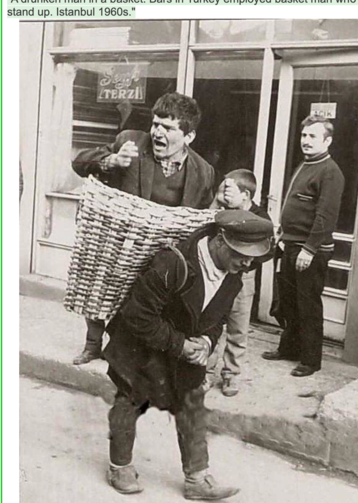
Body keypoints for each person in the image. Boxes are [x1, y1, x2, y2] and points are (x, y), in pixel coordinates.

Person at [103, 209, 274, 499]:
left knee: (192, 405)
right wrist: (180, 345)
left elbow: (218, 319)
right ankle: (120, 466)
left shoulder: (234, 275)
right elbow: (138, 315)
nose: (247, 263)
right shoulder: (174, 262)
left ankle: (197, 479)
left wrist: (206, 342)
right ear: (220, 241)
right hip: (140, 345)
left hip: (186, 349)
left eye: (252, 257)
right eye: (241, 254)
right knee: (129, 400)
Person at [71, 92, 216, 365]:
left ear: (189, 136)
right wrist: (111, 161)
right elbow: (79, 162)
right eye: (155, 124)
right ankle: (93, 344)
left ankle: (126, 351)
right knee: (100, 288)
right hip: (121, 242)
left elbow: (202, 218)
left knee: (143, 304)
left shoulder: (204, 171)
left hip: (164, 252)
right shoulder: (130, 141)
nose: (157, 132)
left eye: (168, 128)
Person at [262, 115, 345, 377]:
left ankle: (311, 360)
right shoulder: (306, 164)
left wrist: (309, 250)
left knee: (308, 306)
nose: (306, 141)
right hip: (291, 245)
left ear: (327, 141)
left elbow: (325, 217)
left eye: (313, 136)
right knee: (290, 302)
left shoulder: (330, 172)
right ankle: (289, 349)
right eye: (304, 135)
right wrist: (283, 235)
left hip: (310, 250)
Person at [203, 169, 272, 397]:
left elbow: (268, 251)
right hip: (219, 274)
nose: (224, 193)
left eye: (228, 190)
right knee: (210, 322)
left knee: (238, 328)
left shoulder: (260, 218)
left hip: (243, 277)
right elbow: (203, 227)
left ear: (245, 194)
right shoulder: (223, 211)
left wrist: (244, 263)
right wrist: (216, 201)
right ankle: (204, 372)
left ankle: (231, 374)